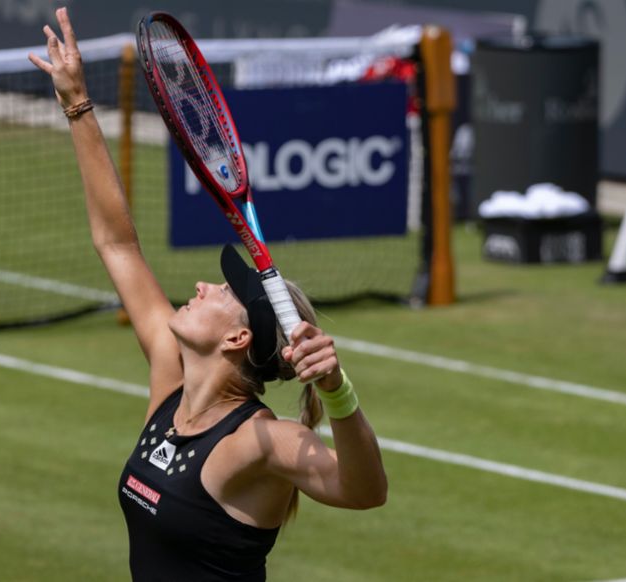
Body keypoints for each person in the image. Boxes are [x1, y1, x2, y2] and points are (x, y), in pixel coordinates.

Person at [29, 9, 388, 581]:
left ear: (239, 336)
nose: (201, 285)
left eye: (223, 290)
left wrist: (339, 394)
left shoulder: (262, 441)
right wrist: (77, 104)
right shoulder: (170, 385)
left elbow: (364, 491)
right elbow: (117, 244)